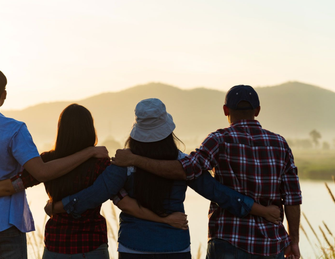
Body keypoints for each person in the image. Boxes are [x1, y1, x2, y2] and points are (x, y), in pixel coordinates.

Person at [46, 98, 280, 259]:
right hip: (174, 247)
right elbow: (218, 193)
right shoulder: (182, 163)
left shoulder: (124, 164)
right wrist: (257, 208)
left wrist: (58, 206)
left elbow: (91, 196)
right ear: (168, 131)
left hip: (133, 247)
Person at [0, 103, 186, 259]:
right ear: (90, 129)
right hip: (92, 246)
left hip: (56, 246)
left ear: (61, 129)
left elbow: (9, 186)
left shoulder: (45, 163)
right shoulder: (101, 165)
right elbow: (124, 203)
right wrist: (165, 219)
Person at [112, 86, 302, 258]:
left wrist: (132, 160)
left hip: (226, 240)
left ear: (226, 110)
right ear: (258, 111)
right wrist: (293, 241)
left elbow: (187, 170)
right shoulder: (280, 144)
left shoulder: (219, 140)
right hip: (268, 245)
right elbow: (291, 198)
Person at [0, 69, 108, 259]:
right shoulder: (15, 129)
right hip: (6, 226)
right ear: (4, 95)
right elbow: (41, 172)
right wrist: (90, 151)